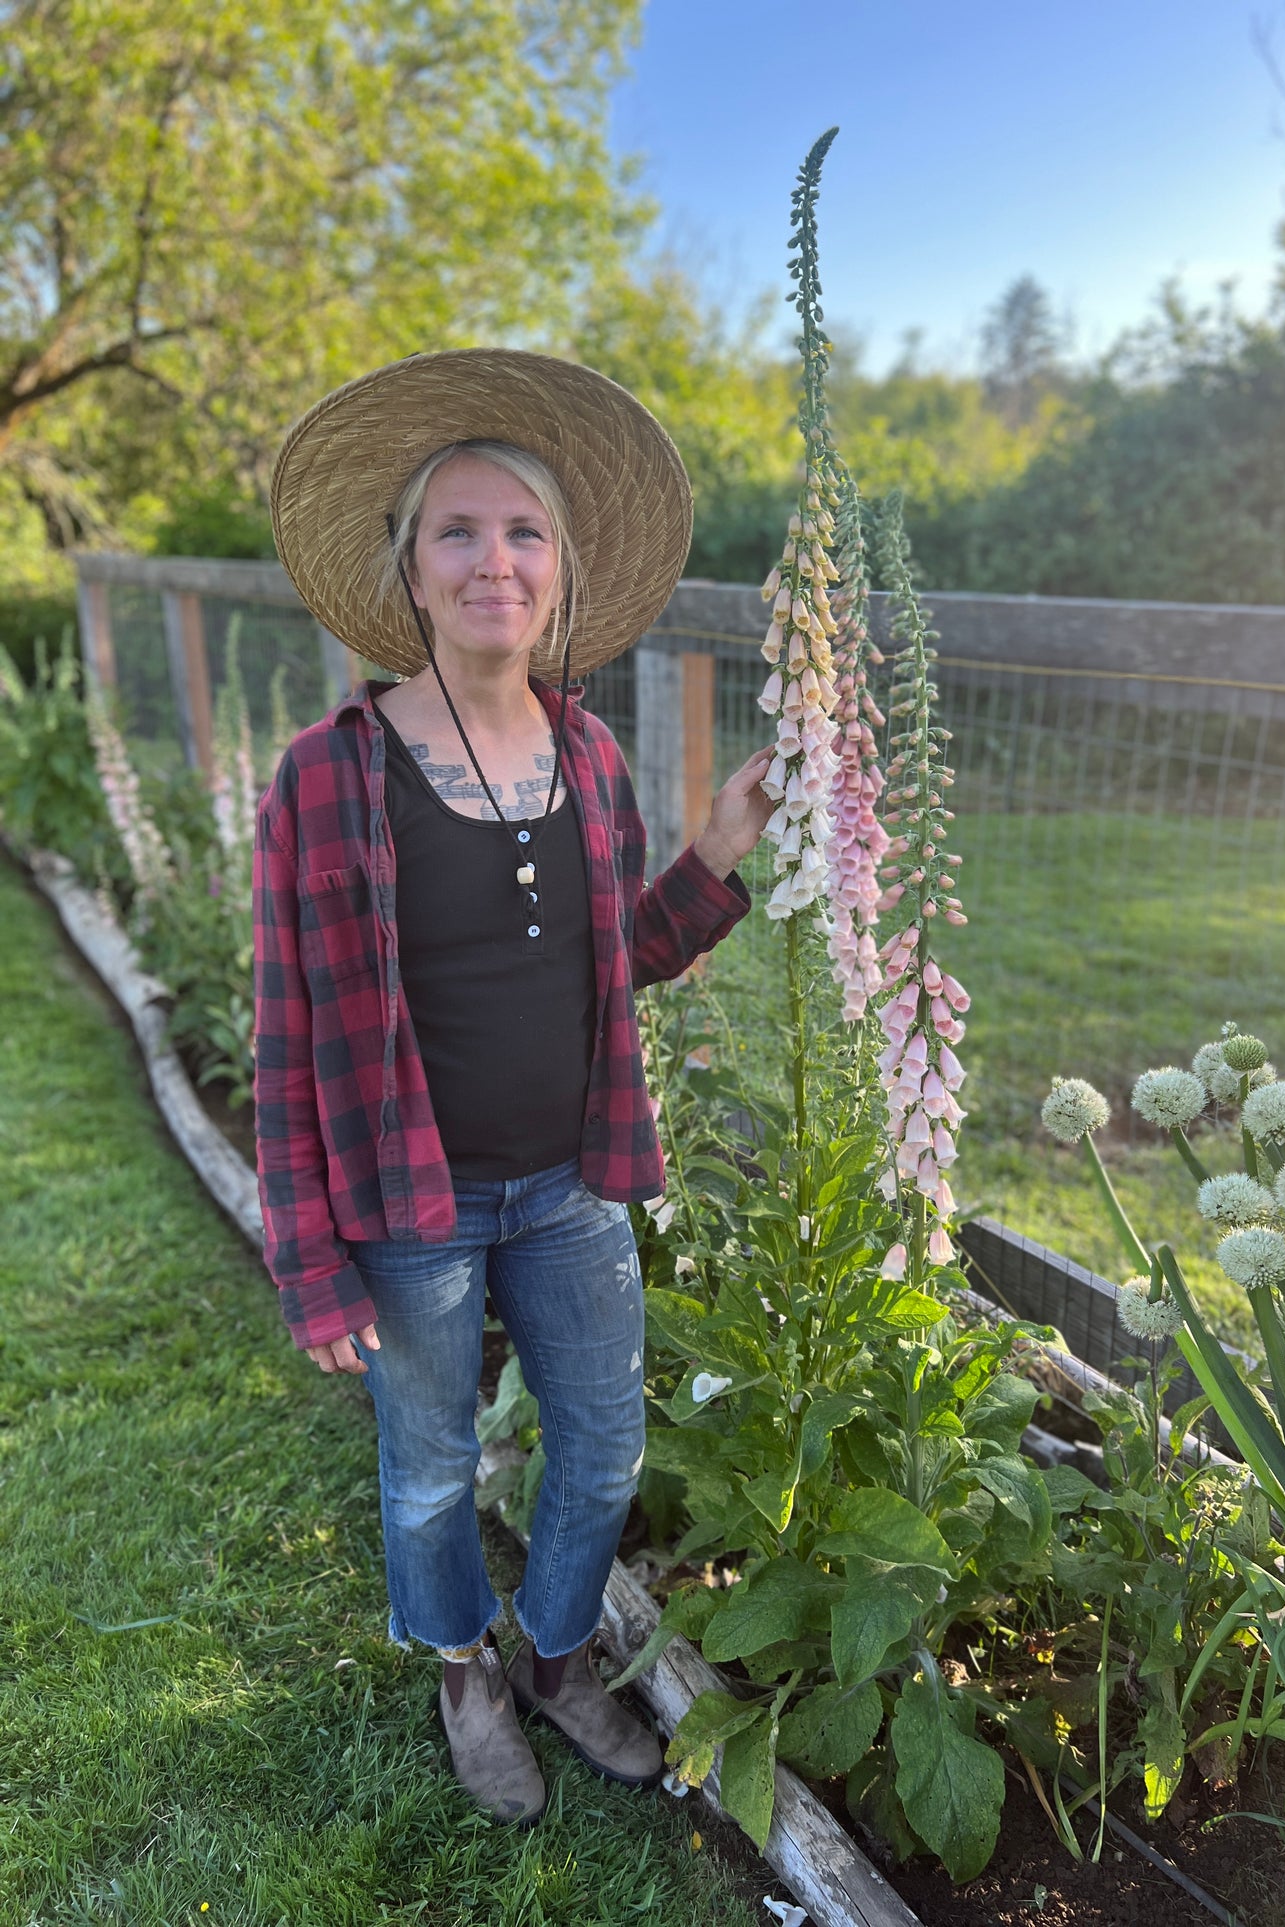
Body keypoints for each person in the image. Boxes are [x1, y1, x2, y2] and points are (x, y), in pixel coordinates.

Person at [255, 349, 773, 1825]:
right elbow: (287, 1028)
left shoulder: (590, 752)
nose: (496, 559)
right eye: (460, 532)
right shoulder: (326, 775)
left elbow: (617, 968)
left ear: (557, 572)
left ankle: (553, 1656)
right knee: (425, 1463)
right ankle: (463, 1671)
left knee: (602, 1439)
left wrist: (715, 856)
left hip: (569, 1182)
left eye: (524, 532)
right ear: (410, 573)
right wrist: (308, 1259)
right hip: (407, 1200)